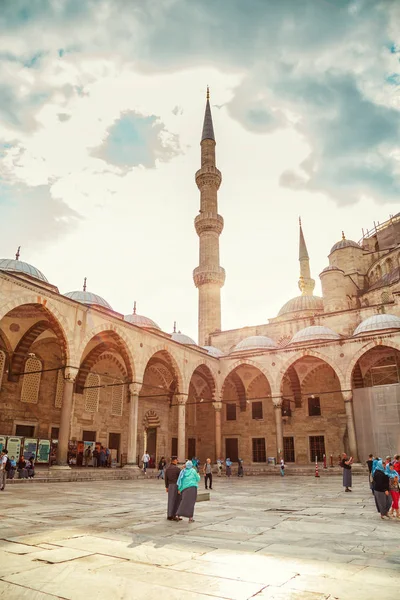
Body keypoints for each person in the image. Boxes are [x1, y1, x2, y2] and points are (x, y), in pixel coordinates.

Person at [165, 456, 181, 521]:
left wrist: (166, 486)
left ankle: (169, 515)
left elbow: (166, 478)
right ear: (174, 461)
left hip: (170, 486)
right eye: (177, 460)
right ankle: (175, 515)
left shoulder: (168, 468)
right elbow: (180, 479)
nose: (177, 461)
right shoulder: (177, 469)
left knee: (170, 500)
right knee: (177, 501)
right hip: (176, 485)